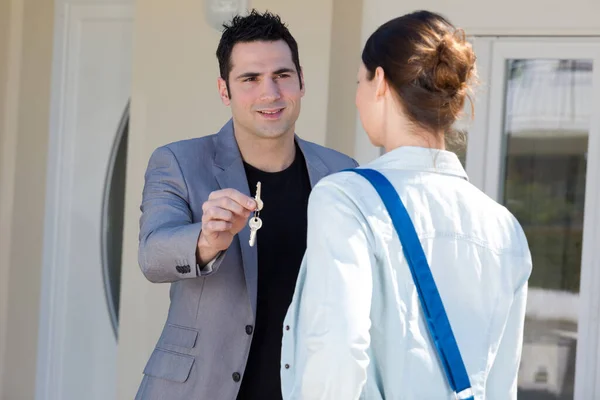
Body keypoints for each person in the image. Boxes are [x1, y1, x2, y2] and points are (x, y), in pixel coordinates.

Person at [281, 10, 532, 400]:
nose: (357, 97)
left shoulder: (347, 198)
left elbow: (338, 352)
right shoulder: (504, 228)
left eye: (359, 82)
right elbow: (502, 386)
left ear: (379, 81)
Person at [134, 10, 357, 400]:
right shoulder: (179, 162)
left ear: (301, 81)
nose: (270, 93)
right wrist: (205, 241)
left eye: (282, 76)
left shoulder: (342, 173)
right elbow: (153, 254)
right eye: (250, 79)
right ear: (225, 90)